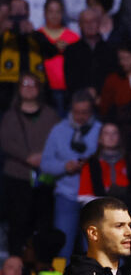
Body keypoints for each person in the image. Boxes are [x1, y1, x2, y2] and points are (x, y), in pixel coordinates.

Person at [0, 73, 58, 255]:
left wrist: (43, 156)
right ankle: (15, 263)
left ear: (39, 88)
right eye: (24, 84)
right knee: (18, 223)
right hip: (17, 176)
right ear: (18, 89)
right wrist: (27, 157)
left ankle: (39, 264)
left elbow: (58, 139)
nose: (28, 87)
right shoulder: (9, 116)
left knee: (43, 222)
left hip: (44, 177)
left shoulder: (51, 115)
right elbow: (5, 141)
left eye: (32, 84)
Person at [41, 90, 101, 256]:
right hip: (66, 195)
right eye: (76, 112)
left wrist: (89, 163)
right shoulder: (59, 130)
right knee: (62, 246)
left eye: (85, 112)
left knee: (93, 249)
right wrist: (64, 167)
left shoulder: (100, 131)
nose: (80, 116)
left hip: (93, 198)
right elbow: (45, 163)